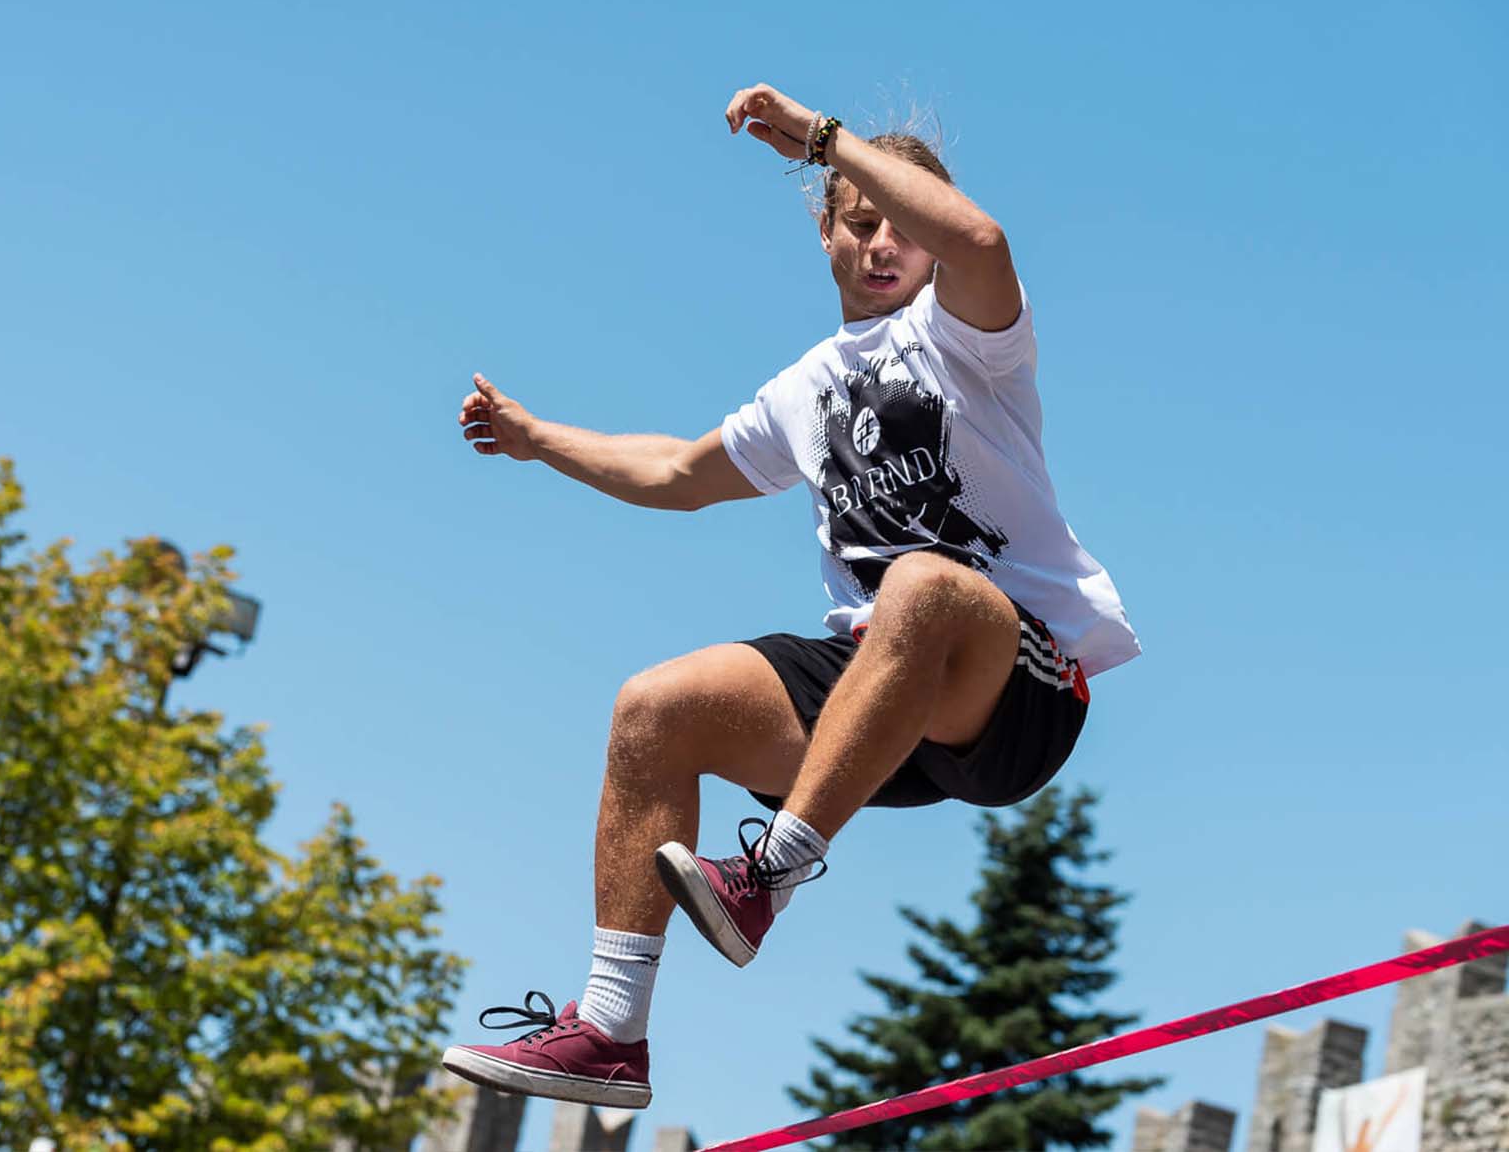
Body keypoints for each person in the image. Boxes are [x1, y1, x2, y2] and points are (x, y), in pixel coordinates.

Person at [440, 84, 1140, 1109]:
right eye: (860, 222)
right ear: (825, 233)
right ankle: (608, 1029)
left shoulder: (972, 337)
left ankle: (768, 874)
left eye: (905, 227)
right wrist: (539, 440)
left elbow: (984, 241)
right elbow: (676, 471)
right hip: (885, 699)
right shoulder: (803, 389)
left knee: (920, 583)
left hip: (1017, 688)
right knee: (656, 708)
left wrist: (826, 141)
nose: (883, 244)